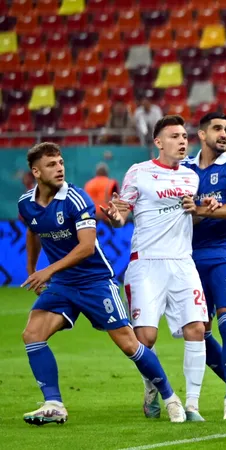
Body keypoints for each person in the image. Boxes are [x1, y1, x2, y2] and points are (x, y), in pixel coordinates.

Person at [18, 142, 185, 425]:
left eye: (60, 162)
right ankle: (54, 403)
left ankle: (170, 398)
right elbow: (34, 231)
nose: (59, 168)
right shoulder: (26, 203)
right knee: (32, 334)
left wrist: (47, 271)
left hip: (95, 280)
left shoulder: (76, 198)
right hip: (63, 283)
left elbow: (85, 248)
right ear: (36, 171)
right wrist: (32, 268)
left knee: (129, 345)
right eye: (51, 164)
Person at [104, 115, 220, 423]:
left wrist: (201, 210)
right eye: (174, 136)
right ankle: (152, 388)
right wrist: (115, 216)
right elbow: (122, 213)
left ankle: (192, 405)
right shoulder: (139, 172)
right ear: (158, 142)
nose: (183, 141)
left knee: (198, 329)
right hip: (147, 263)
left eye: (184, 136)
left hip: (183, 262)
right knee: (146, 338)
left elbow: (189, 216)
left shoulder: (191, 177)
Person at [181, 112, 226, 419]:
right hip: (188, 256)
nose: (224, 134)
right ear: (201, 134)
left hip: (224, 252)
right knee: (199, 330)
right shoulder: (184, 170)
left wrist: (210, 210)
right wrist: (199, 211)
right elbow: (183, 212)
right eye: (217, 129)